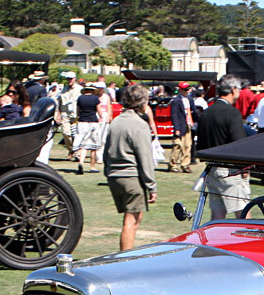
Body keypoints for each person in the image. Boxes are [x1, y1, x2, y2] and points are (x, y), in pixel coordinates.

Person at [103, 83, 157, 251]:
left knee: (133, 218)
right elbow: (145, 158)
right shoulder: (139, 124)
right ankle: (124, 258)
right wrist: (151, 185)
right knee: (131, 221)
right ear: (142, 102)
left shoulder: (116, 122)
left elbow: (106, 152)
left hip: (114, 176)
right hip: (131, 177)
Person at [196, 75, 250, 219]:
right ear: (233, 90)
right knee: (243, 213)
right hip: (230, 170)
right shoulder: (232, 114)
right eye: (239, 89)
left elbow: (200, 146)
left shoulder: (206, 113)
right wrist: (245, 168)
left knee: (217, 214)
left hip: (212, 168)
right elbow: (239, 144)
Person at [73, 83, 103, 174]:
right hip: (93, 121)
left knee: (83, 144)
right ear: (93, 91)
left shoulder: (80, 98)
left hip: (82, 122)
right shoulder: (95, 98)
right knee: (93, 146)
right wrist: (101, 117)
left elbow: (78, 112)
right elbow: (99, 111)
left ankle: (81, 162)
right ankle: (92, 166)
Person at [168, 81, 193, 173]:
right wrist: (176, 128)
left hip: (188, 124)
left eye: (188, 89)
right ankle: (172, 165)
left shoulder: (189, 99)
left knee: (187, 146)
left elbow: (193, 111)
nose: (188, 91)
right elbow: (174, 115)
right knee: (177, 145)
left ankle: (185, 164)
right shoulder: (176, 101)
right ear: (181, 90)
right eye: (186, 89)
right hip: (180, 125)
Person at [57, 71, 80, 160]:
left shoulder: (79, 89)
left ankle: (76, 152)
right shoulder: (63, 89)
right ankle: (71, 150)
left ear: (75, 79)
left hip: (75, 114)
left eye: (71, 79)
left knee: (76, 135)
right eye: (68, 79)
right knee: (66, 133)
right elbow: (59, 102)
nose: (69, 80)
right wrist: (58, 114)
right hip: (65, 114)